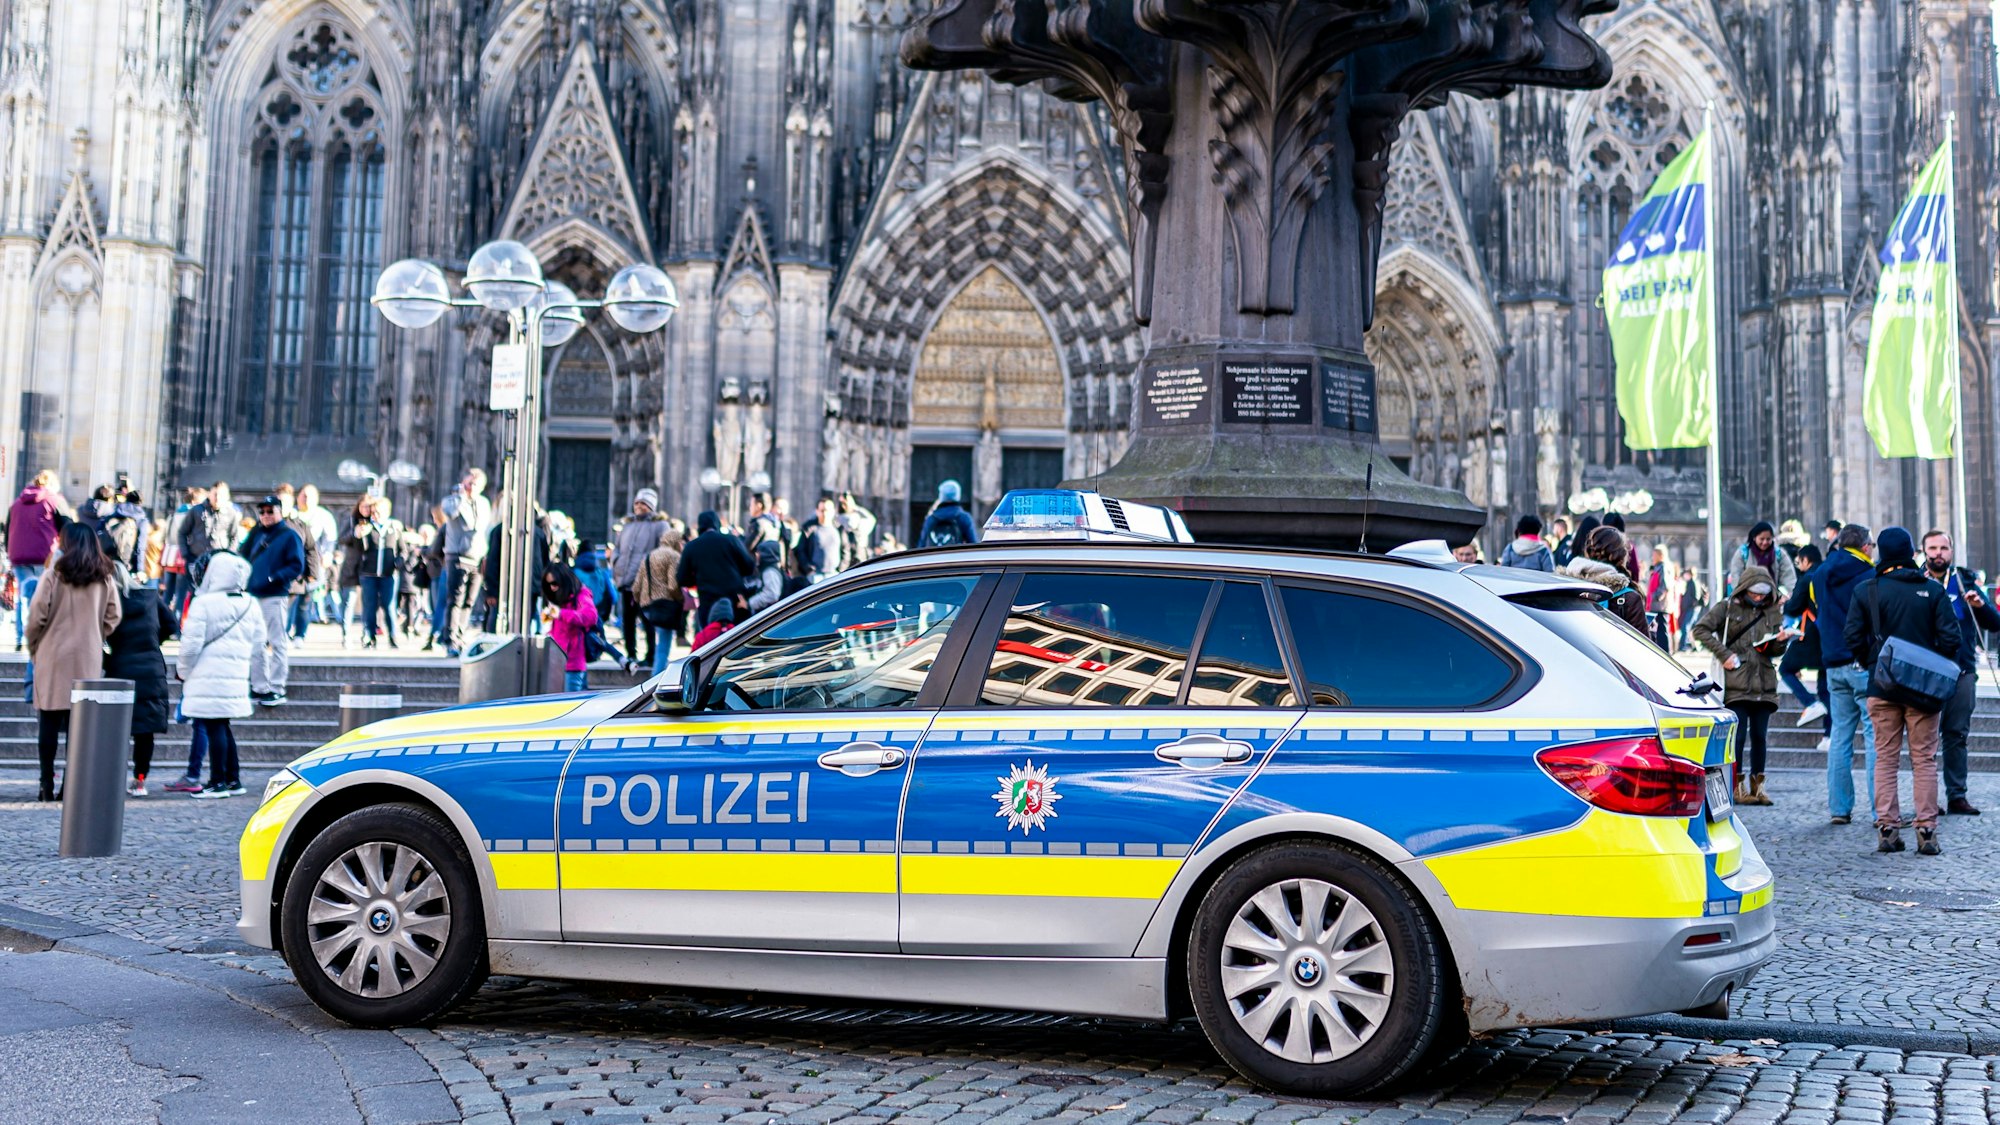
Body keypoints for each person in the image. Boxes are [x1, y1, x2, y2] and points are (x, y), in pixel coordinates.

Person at [1843, 526, 1961, 855]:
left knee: (1885, 759)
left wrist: (1874, 662)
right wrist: (1929, 661)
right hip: (1924, 690)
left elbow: (1851, 637)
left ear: (1881, 553)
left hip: (1881, 686)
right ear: (1912, 553)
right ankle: (1926, 830)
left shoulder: (1867, 590)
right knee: (1924, 759)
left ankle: (1888, 830)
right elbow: (1952, 641)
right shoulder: (1932, 590)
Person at [24, 523, 122, 801]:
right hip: (87, 656)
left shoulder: (54, 573)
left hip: (52, 654)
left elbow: (36, 616)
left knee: (49, 722)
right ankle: (71, 785)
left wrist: (34, 646)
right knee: (79, 728)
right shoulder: (104, 575)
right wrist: (95, 634)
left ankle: (45, 783)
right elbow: (113, 616)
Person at [1692, 564, 1789, 807]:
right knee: (1737, 738)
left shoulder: (1773, 610)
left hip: (1764, 682)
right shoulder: (1727, 607)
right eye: (1754, 593)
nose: (1759, 597)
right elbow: (1700, 629)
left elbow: (1775, 652)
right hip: (1737, 682)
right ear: (1744, 589)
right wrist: (1724, 654)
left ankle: (1759, 789)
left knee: (1760, 737)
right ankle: (1736, 788)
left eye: (1763, 593)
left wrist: (1780, 642)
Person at [1919, 529, 2000, 816]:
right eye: (1933, 548)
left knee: (1956, 734)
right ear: (1923, 551)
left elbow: (1994, 622)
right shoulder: (1915, 580)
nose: (1938, 553)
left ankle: (1957, 795)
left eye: (1943, 548)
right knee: (1925, 738)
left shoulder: (1964, 580)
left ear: (1951, 552)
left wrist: (1979, 606)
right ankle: (1928, 800)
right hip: (1925, 671)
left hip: (1962, 670)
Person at [177, 551, 265, 799]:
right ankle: (232, 779)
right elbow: (259, 646)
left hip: (208, 673)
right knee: (223, 726)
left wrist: (183, 671)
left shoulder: (204, 603)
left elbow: (191, 645)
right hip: (235, 673)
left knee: (215, 725)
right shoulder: (250, 602)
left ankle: (217, 782)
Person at [1813, 523, 1880, 824]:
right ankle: (1883, 810)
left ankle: (1839, 808)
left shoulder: (1821, 573)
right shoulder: (1868, 574)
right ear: (1865, 546)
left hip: (1832, 663)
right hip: (1861, 662)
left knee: (1840, 735)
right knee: (1874, 735)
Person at [104, 539, 178, 796]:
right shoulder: (149, 597)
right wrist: (153, 642)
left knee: (117, 729)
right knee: (145, 732)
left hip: (120, 668)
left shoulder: (109, 602)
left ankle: (112, 777)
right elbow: (172, 625)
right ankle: (141, 780)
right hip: (151, 669)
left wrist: (107, 657)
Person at [241, 495, 304, 706]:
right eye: (263, 512)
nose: (266, 515)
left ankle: (277, 687)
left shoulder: (289, 535)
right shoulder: (256, 532)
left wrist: (273, 578)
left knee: (277, 642)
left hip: (275, 595)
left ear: (280, 512)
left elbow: (297, 566)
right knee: (255, 644)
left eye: (270, 511)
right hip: (253, 594)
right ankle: (259, 686)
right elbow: (242, 555)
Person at [8, 469, 67, 651]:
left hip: (19, 556)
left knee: (24, 597)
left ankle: (21, 637)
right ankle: (40, 636)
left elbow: (8, 529)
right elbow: (67, 526)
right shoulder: (54, 500)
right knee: (45, 595)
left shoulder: (17, 503)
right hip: (45, 556)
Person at [612, 489, 669, 667]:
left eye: (643, 503)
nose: (638, 506)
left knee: (648, 620)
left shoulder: (660, 525)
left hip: (646, 582)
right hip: (627, 581)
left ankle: (650, 655)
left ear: (651, 506)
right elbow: (617, 548)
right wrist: (616, 561)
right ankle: (631, 654)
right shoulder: (627, 525)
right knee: (628, 620)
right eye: (637, 503)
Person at [1780, 545, 1831, 741]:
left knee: (1785, 669)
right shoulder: (1828, 573)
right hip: (1830, 636)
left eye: (1799, 562)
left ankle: (1810, 703)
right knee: (1825, 688)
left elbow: (1793, 609)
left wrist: (1786, 602)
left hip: (1810, 635)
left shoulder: (1807, 578)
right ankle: (1829, 736)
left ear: (1805, 560)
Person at [439, 467, 492, 656]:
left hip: (477, 557)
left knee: (469, 601)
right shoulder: (452, 501)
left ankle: (460, 637)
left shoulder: (484, 503)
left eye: (475, 484)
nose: (471, 487)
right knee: (455, 599)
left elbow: (484, 528)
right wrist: (461, 496)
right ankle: (450, 640)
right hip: (457, 557)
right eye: (468, 483)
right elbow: (450, 513)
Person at [1560, 526, 1647, 632]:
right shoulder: (1629, 598)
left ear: (1588, 552)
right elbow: (1641, 646)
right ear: (1623, 557)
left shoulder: (1565, 588)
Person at [343, 495, 404, 648]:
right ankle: (369, 636)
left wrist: (398, 563)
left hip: (388, 575)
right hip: (368, 574)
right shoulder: (367, 527)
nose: (375, 515)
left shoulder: (394, 528)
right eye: (373, 512)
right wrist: (359, 535)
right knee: (369, 607)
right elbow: (357, 548)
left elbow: (403, 550)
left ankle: (393, 636)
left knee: (389, 606)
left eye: (378, 512)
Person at [677, 510, 756, 625]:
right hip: (735, 600)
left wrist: (699, 579)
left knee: (712, 638)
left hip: (708, 600)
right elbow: (749, 566)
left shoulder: (691, 547)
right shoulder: (732, 540)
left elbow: (682, 578)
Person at [630, 527, 685, 674]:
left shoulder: (648, 556)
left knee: (655, 641)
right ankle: (656, 679)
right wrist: (680, 599)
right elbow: (673, 585)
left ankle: (655, 671)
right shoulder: (673, 556)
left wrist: (639, 601)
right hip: (665, 607)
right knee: (664, 645)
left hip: (647, 607)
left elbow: (636, 587)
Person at [540, 563, 599, 693]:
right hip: (557, 662)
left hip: (573, 663)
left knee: (570, 707)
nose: (552, 588)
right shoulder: (558, 598)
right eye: (549, 585)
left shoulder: (581, 594)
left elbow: (590, 616)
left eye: (554, 584)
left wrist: (561, 614)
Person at [176, 481, 240, 577]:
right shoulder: (196, 510)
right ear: (210, 494)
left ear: (227, 497)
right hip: (196, 559)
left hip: (220, 562)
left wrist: (229, 555)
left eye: (221, 495)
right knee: (197, 591)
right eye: (215, 494)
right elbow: (182, 532)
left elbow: (234, 537)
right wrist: (186, 554)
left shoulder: (231, 514)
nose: (217, 498)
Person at [1726, 520, 1798, 597]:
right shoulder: (1743, 553)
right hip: (1747, 600)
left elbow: (1789, 578)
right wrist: (1740, 596)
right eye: (1762, 539)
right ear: (1754, 538)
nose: (1765, 542)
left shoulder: (1779, 554)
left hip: (1773, 600)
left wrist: (1788, 596)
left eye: (1768, 539)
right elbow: (1736, 576)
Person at [917, 480, 979, 548]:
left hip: (935, 557)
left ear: (941, 496)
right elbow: (974, 545)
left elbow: (921, 546)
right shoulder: (964, 518)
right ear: (958, 495)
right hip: (956, 557)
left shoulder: (931, 519)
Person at [745, 540, 786, 613]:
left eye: (759, 552)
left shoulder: (770, 572)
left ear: (767, 554)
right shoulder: (765, 570)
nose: (756, 555)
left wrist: (749, 604)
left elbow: (772, 594)